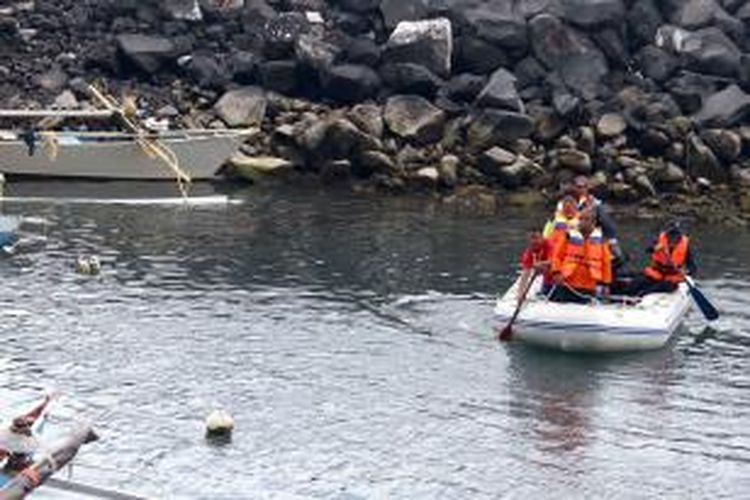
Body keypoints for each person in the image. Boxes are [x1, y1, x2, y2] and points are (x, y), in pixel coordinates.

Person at [549, 209, 613, 303]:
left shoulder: (601, 240)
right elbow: (557, 255)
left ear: (593, 222)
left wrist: (606, 284)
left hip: (589, 284)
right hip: (567, 281)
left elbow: (606, 263)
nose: (582, 222)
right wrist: (556, 272)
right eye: (580, 219)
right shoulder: (569, 236)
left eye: (586, 219)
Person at [628, 222, 696, 296]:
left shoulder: (685, 247)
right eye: (670, 236)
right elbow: (648, 250)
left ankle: (645, 293)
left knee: (664, 286)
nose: (672, 240)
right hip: (657, 273)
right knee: (637, 283)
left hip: (671, 277)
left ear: (679, 237)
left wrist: (687, 271)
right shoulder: (659, 242)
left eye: (675, 237)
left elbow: (692, 267)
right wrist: (654, 248)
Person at [0, 394, 52, 473]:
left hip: (14, 461)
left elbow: (33, 414)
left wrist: (46, 402)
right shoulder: (5, 435)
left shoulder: (29, 439)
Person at [518, 230, 554, 302]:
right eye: (531, 238)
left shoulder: (550, 245)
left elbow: (555, 261)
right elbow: (525, 274)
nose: (534, 241)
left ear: (542, 238)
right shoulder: (528, 253)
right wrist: (520, 293)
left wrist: (541, 264)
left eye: (536, 238)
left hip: (560, 278)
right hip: (547, 280)